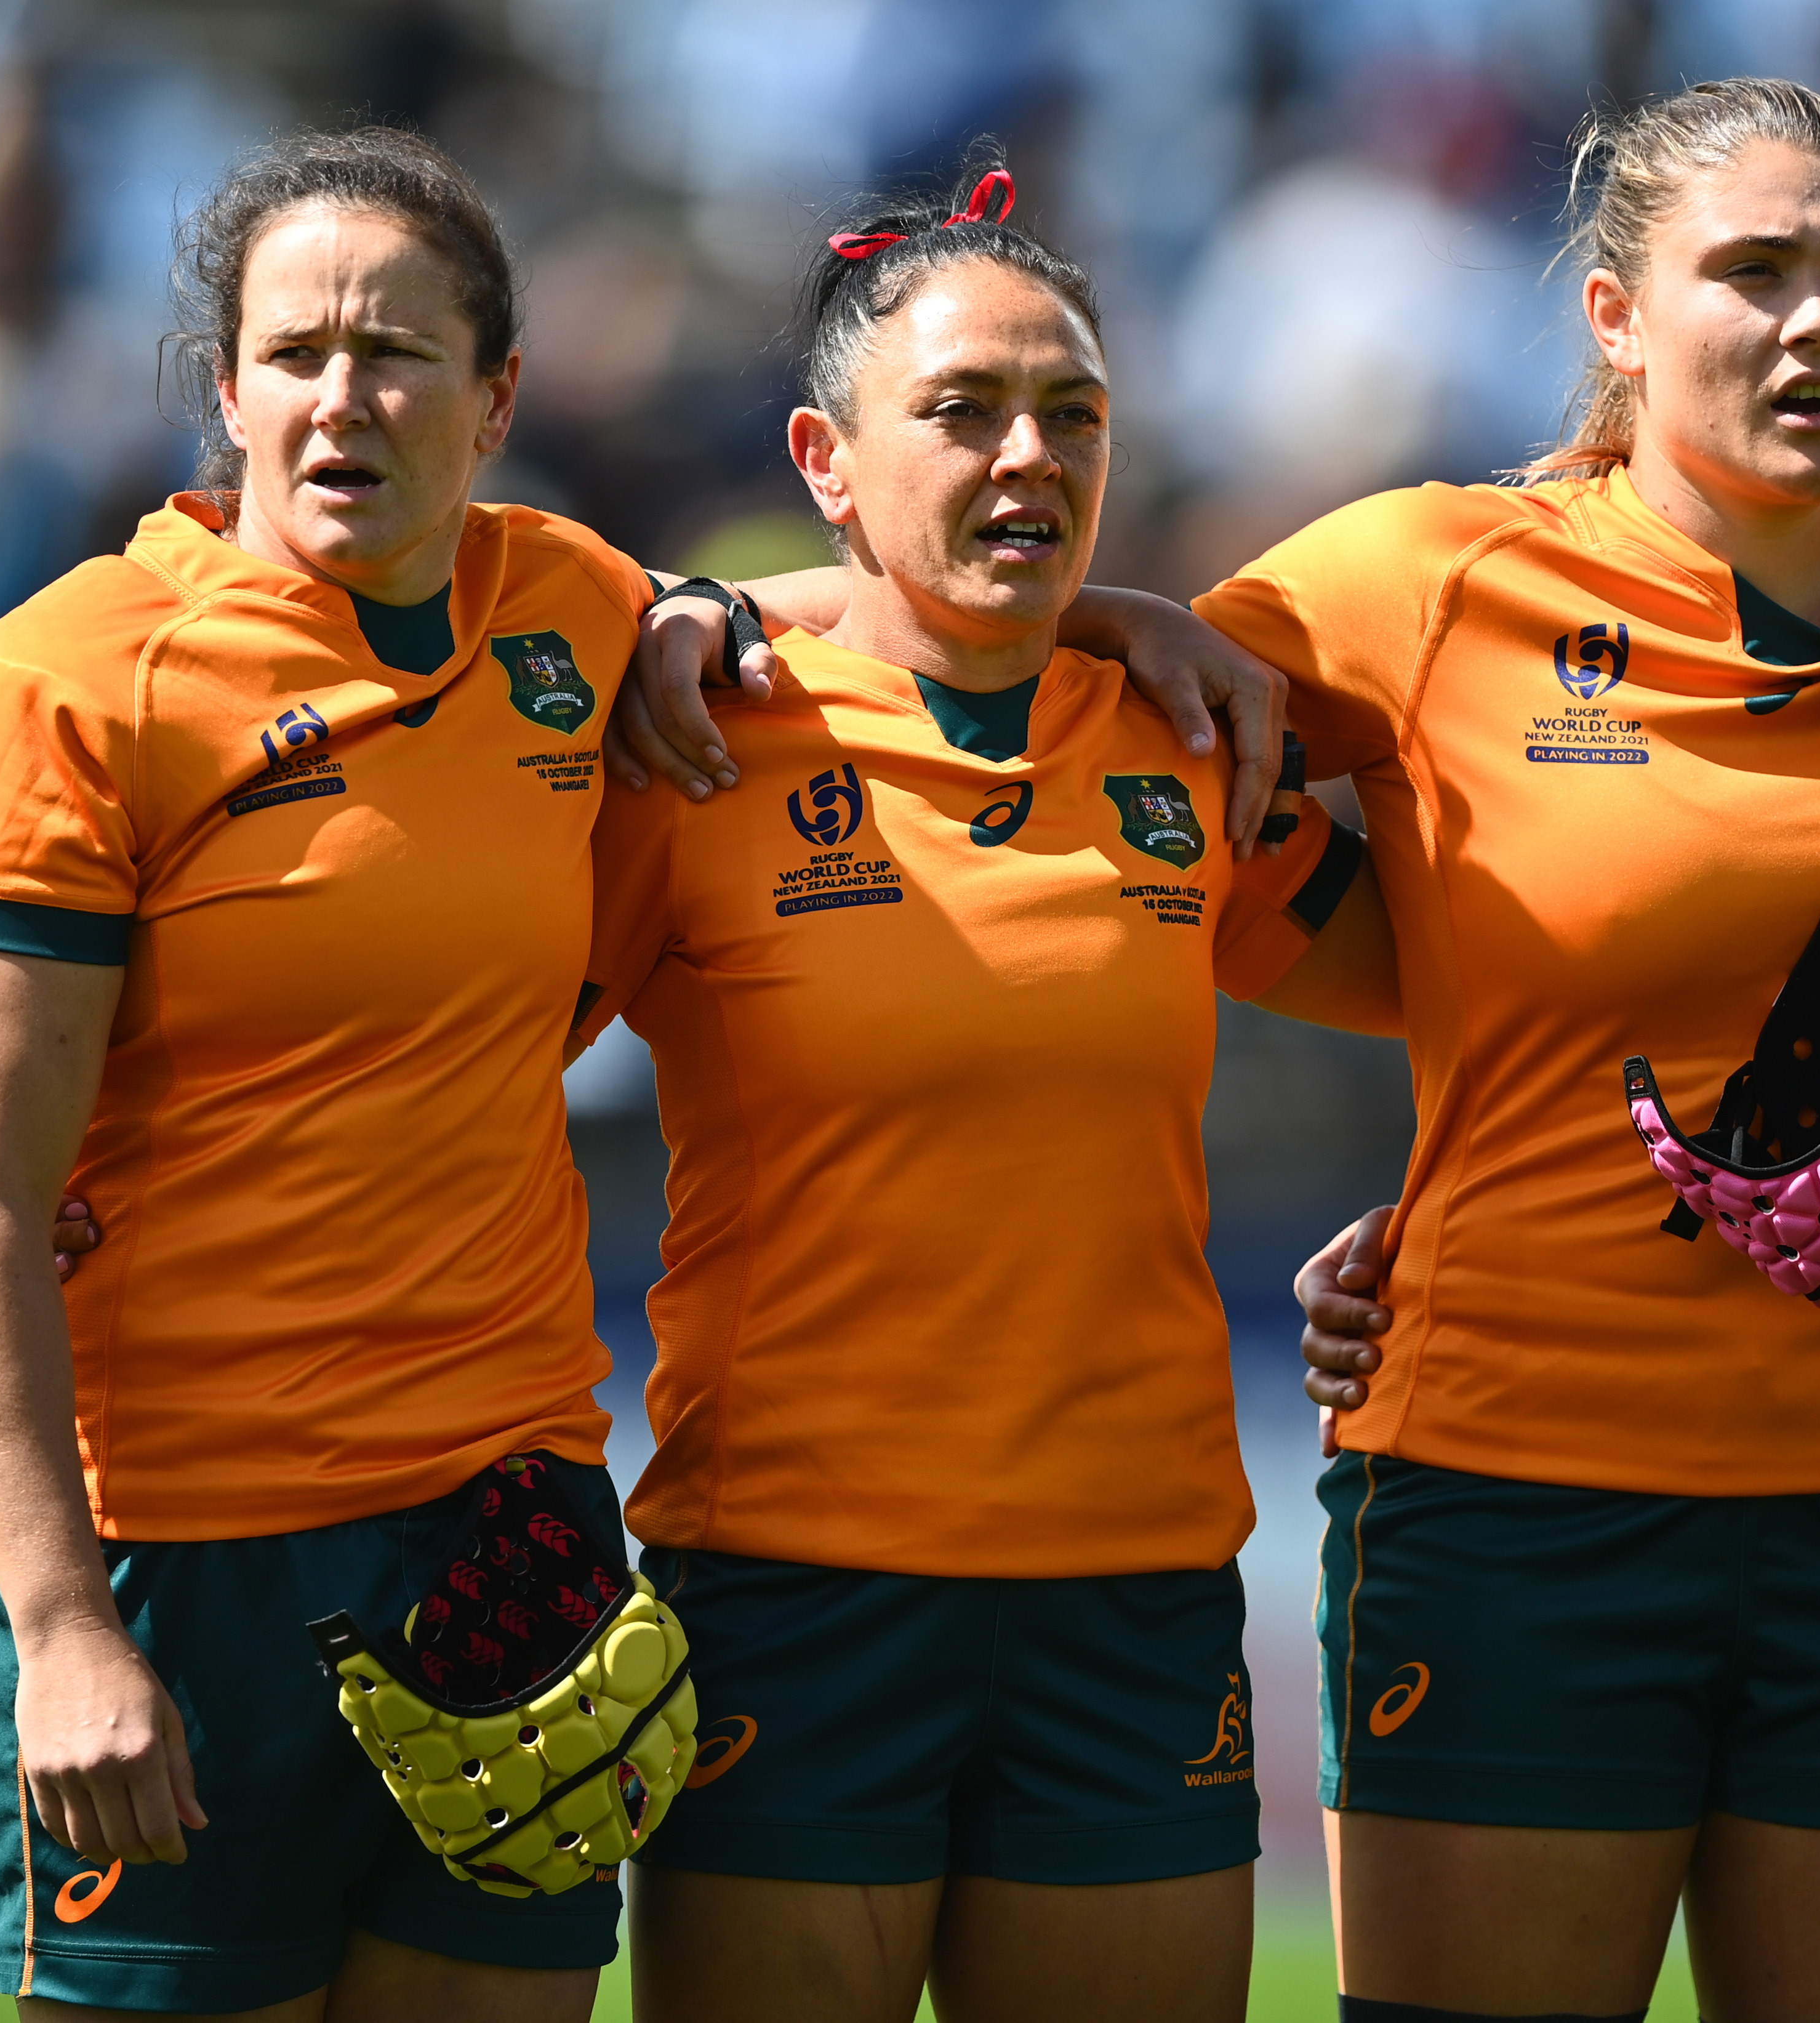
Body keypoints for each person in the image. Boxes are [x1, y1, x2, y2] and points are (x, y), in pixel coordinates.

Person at [626, 79, 1820, 2023]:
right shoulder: (1420, 581)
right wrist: (708, 608)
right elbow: (989, 633)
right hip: (1515, 1509)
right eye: (1756, 273)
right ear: (1616, 320)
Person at [577, 164, 1396, 2023]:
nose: (1028, 453)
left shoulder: (1192, 742)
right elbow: (460, 1066)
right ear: (826, 459)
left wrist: (1465, 1220)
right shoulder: (696, 740)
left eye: (1073, 413)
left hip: (1134, 1595)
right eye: (960, 412)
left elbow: (1486, 997)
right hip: (796, 1584)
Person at [0, 126, 666, 2019]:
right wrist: (67, 1626)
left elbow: (820, 626)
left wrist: (1136, 625)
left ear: (495, 402)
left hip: (505, 1540)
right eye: (298, 353)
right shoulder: (75, 684)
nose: (345, 396)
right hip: (178, 1564)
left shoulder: (569, 608)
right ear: (226, 390)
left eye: (399, 353)